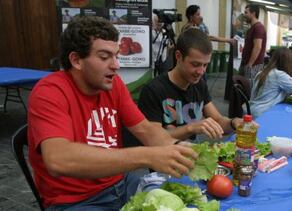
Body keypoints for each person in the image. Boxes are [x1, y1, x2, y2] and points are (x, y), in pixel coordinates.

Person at [27, 16, 197, 210]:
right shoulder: (50, 91)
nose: (116, 65)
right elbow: (57, 159)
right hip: (77, 201)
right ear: (76, 60)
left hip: (121, 185)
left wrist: (177, 147)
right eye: (104, 57)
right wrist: (146, 156)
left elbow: (144, 128)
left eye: (116, 55)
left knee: (190, 201)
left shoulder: (113, 84)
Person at [138, 28, 245, 141]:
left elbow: (218, 120)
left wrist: (234, 122)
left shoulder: (199, 84)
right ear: (178, 56)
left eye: (205, 65)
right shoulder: (153, 90)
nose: (201, 71)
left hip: (193, 154)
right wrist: (191, 128)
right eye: (195, 64)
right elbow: (154, 138)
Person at [250, 47, 292, 118]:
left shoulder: (261, 72)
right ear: (289, 62)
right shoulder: (279, 75)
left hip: (253, 110)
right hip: (263, 114)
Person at [239, 4, 267, 83]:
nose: (244, 15)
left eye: (246, 12)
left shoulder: (258, 27)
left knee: (248, 89)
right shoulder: (251, 28)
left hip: (253, 65)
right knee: (242, 87)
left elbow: (258, 47)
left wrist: (250, 64)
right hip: (246, 63)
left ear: (253, 13)